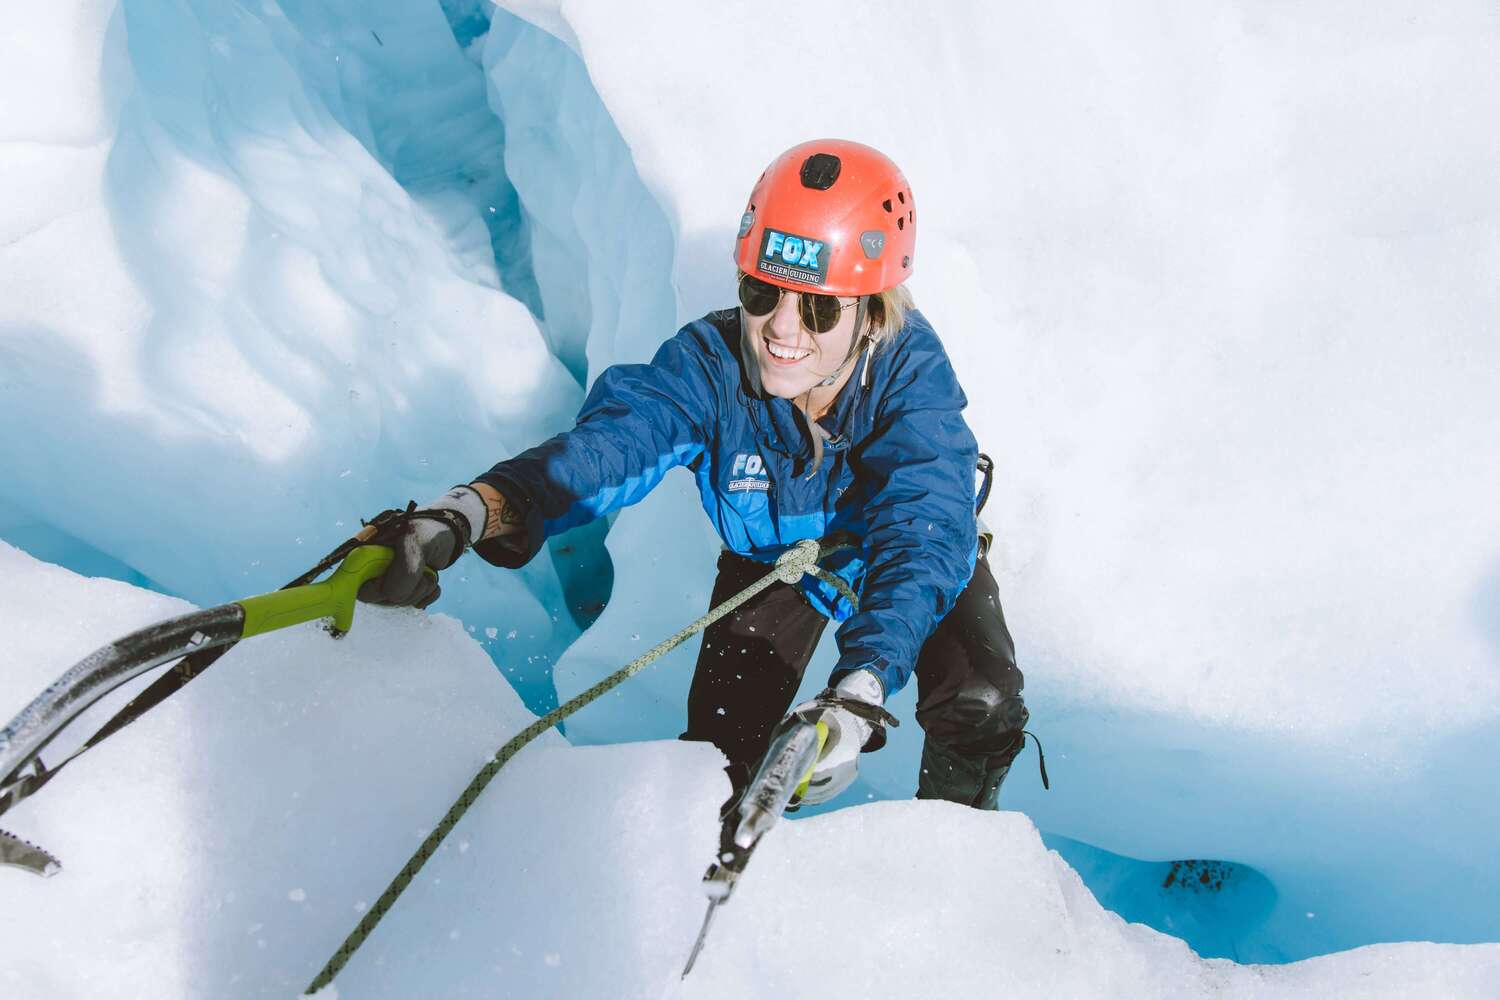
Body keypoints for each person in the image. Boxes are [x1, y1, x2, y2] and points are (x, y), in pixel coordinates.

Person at [359, 139, 1031, 811]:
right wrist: (472, 509)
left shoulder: (909, 375)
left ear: (870, 311)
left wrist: (861, 689)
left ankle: (959, 864)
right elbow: (608, 449)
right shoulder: (709, 366)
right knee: (716, 765)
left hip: (900, 550)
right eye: (762, 292)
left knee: (981, 701)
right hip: (774, 562)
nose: (783, 329)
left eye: (820, 308)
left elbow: (924, 527)